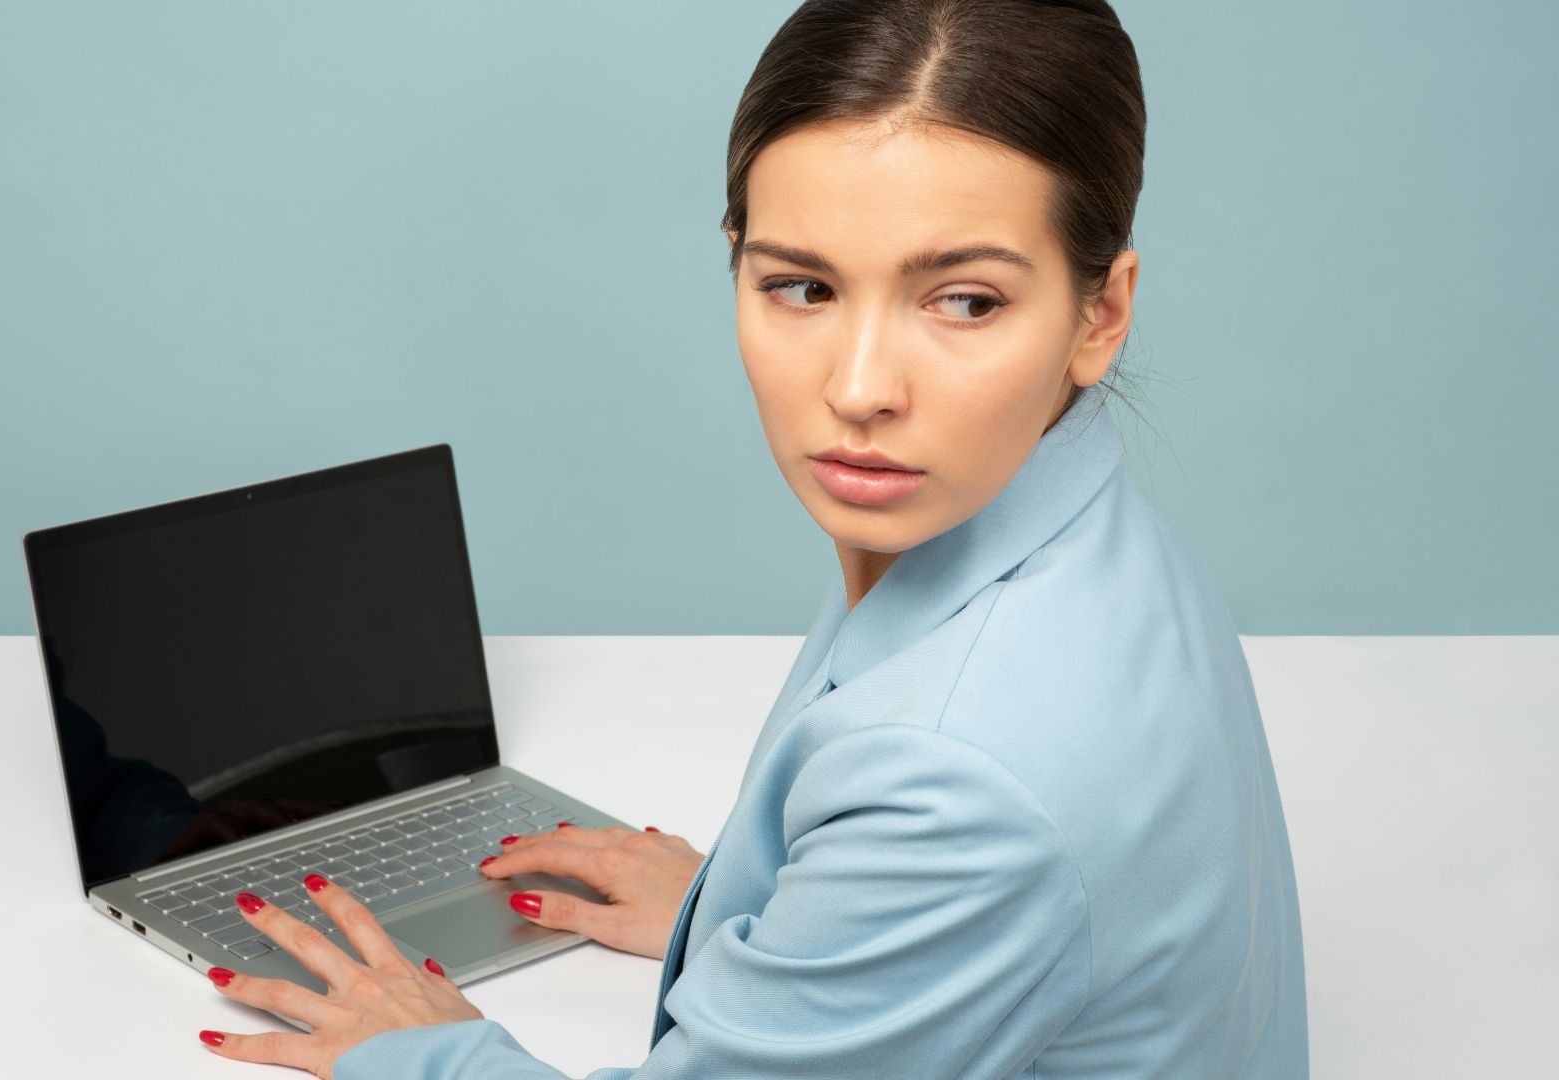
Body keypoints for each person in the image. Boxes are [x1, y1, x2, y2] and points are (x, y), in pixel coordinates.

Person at [189, 0, 1309, 1075]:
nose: (860, 389)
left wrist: (423, 1050)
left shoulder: (954, 784)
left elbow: (983, 805)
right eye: (803, 285)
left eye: (964, 301)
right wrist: (756, 912)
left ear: (1099, 314)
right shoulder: (1080, 525)